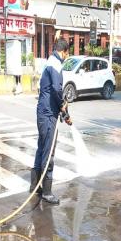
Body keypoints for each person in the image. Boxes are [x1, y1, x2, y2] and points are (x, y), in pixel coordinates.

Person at [30, 38, 72, 205]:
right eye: (67, 54)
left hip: (43, 111)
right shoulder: (56, 64)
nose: (66, 57)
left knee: (41, 148)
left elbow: (51, 91)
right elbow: (56, 89)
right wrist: (63, 107)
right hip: (48, 114)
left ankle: (35, 185)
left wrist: (63, 112)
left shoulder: (49, 62)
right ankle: (46, 192)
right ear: (64, 52)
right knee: (49, 153)